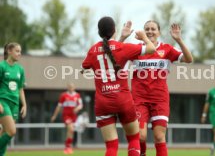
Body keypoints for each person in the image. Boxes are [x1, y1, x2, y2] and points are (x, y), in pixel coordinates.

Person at [82, 16, 155, 156]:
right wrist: (144, 37)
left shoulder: (93, 50)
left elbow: (83, 68)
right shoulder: (123, 47)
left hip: (103, 102)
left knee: (111, 147)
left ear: (99, 32)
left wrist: (121, 38)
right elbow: (151, 49)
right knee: (134, 138)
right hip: (123, 100)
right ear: (114, 30)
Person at [120, 20, 193, 156]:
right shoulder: (136, 49)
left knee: (159, 137)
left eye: (153, 29)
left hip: (160, 99)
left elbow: (189, 59)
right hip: (139, 99)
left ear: (159, 32)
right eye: (147, 29)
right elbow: (115, 55)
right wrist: (123, 37)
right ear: (143, 31)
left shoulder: (167, 49)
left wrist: (179, 40)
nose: (150, 31)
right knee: (140, 136)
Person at [0, 42, 27, 156]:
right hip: (3, 102)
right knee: (12, 131)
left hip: (15, 104)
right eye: (17, 51)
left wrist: (24, 105)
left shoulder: (20, 69)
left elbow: (20, 89)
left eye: (20, 51)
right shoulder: (2, 66)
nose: (19, 54)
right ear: (9, 51)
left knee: (5, 132)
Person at [51, 83, 83, 154]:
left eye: (72, 87)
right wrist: (54, 115)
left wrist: (77, 108)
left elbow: (81, 105)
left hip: (74, 116)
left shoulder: (77, 95)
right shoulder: (63, 95)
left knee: (71, 131)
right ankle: (67, 146)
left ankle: (68, 146)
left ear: (74, 87)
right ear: (68, 87)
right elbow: (59, 106)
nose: (71, 88)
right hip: (66, 116)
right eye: (70, 87)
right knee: (71, 129)